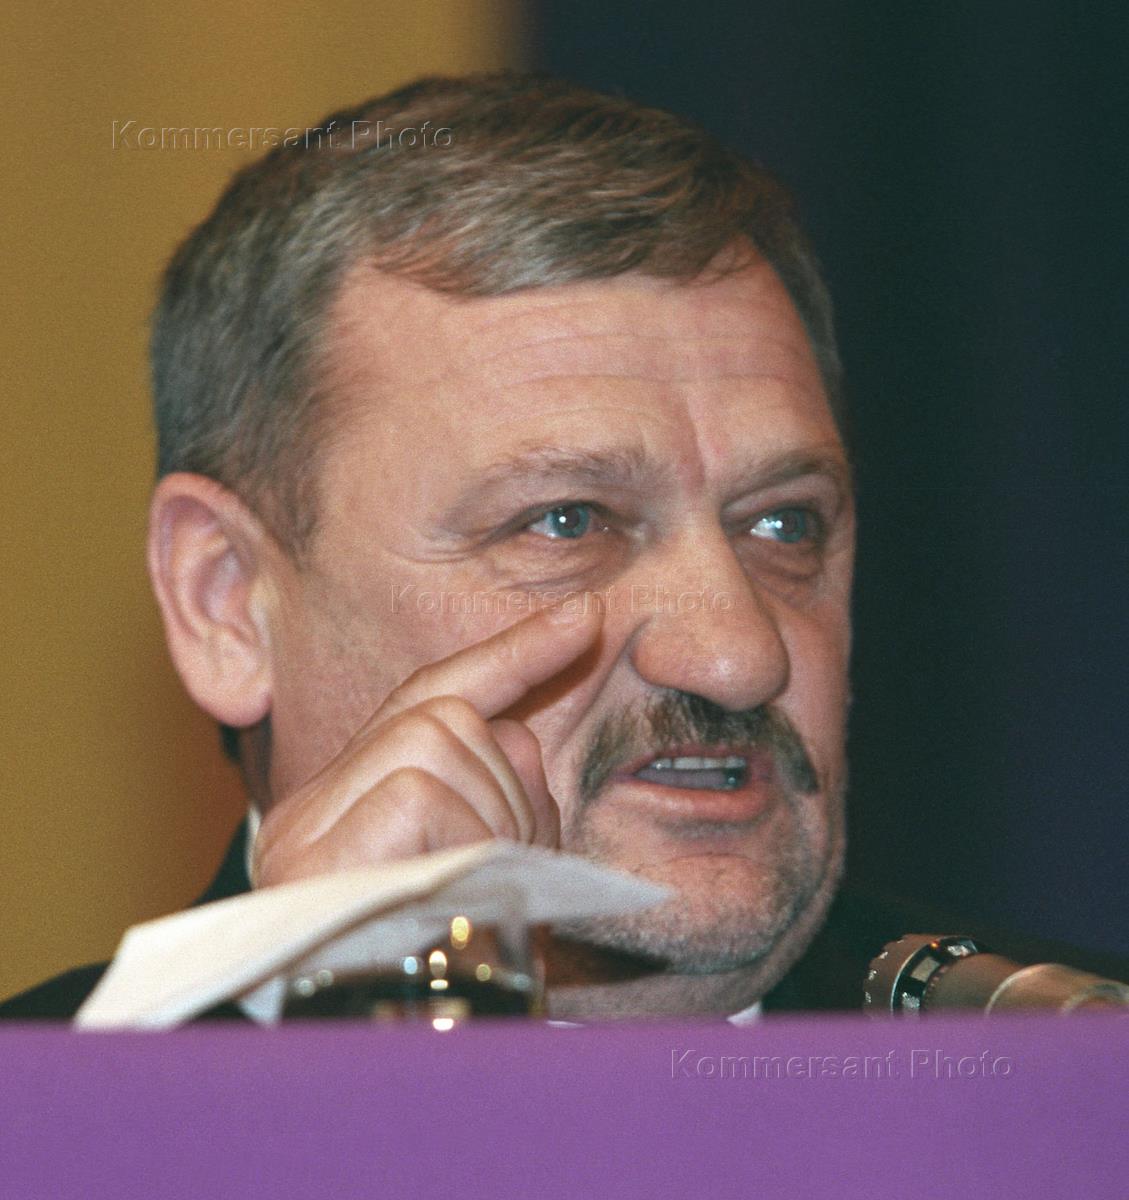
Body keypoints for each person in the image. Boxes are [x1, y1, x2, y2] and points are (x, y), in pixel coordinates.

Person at [3, 70, 873, 1020]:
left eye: (783, 524)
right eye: (565, 521)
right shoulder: (50, 1104)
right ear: (230, 605)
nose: (737, 657)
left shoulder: (1002, 1055)